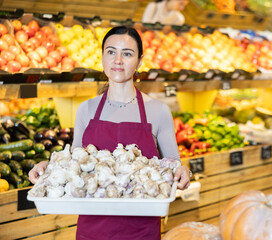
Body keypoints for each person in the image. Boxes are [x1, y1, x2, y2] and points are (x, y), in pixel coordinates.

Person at [29, 26, 191, 240]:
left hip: (140, 232)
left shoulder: (158, 111)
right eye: (111, 52)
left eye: (127, 54)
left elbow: (173, 168)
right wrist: (47, 169)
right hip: (92, 231)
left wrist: (183, 172)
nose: (118, 60)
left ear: (140, 61)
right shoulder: (86, 110)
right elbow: (72, 166)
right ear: (102, 58)